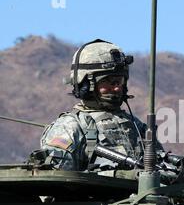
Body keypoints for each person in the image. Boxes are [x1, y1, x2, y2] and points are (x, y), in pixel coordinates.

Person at [40, 39, 162, 171]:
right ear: (86, 85)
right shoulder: (70, 127)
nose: (116, 88)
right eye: (108, 82)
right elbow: (57, 180)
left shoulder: (135, 125)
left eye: (119, 81)